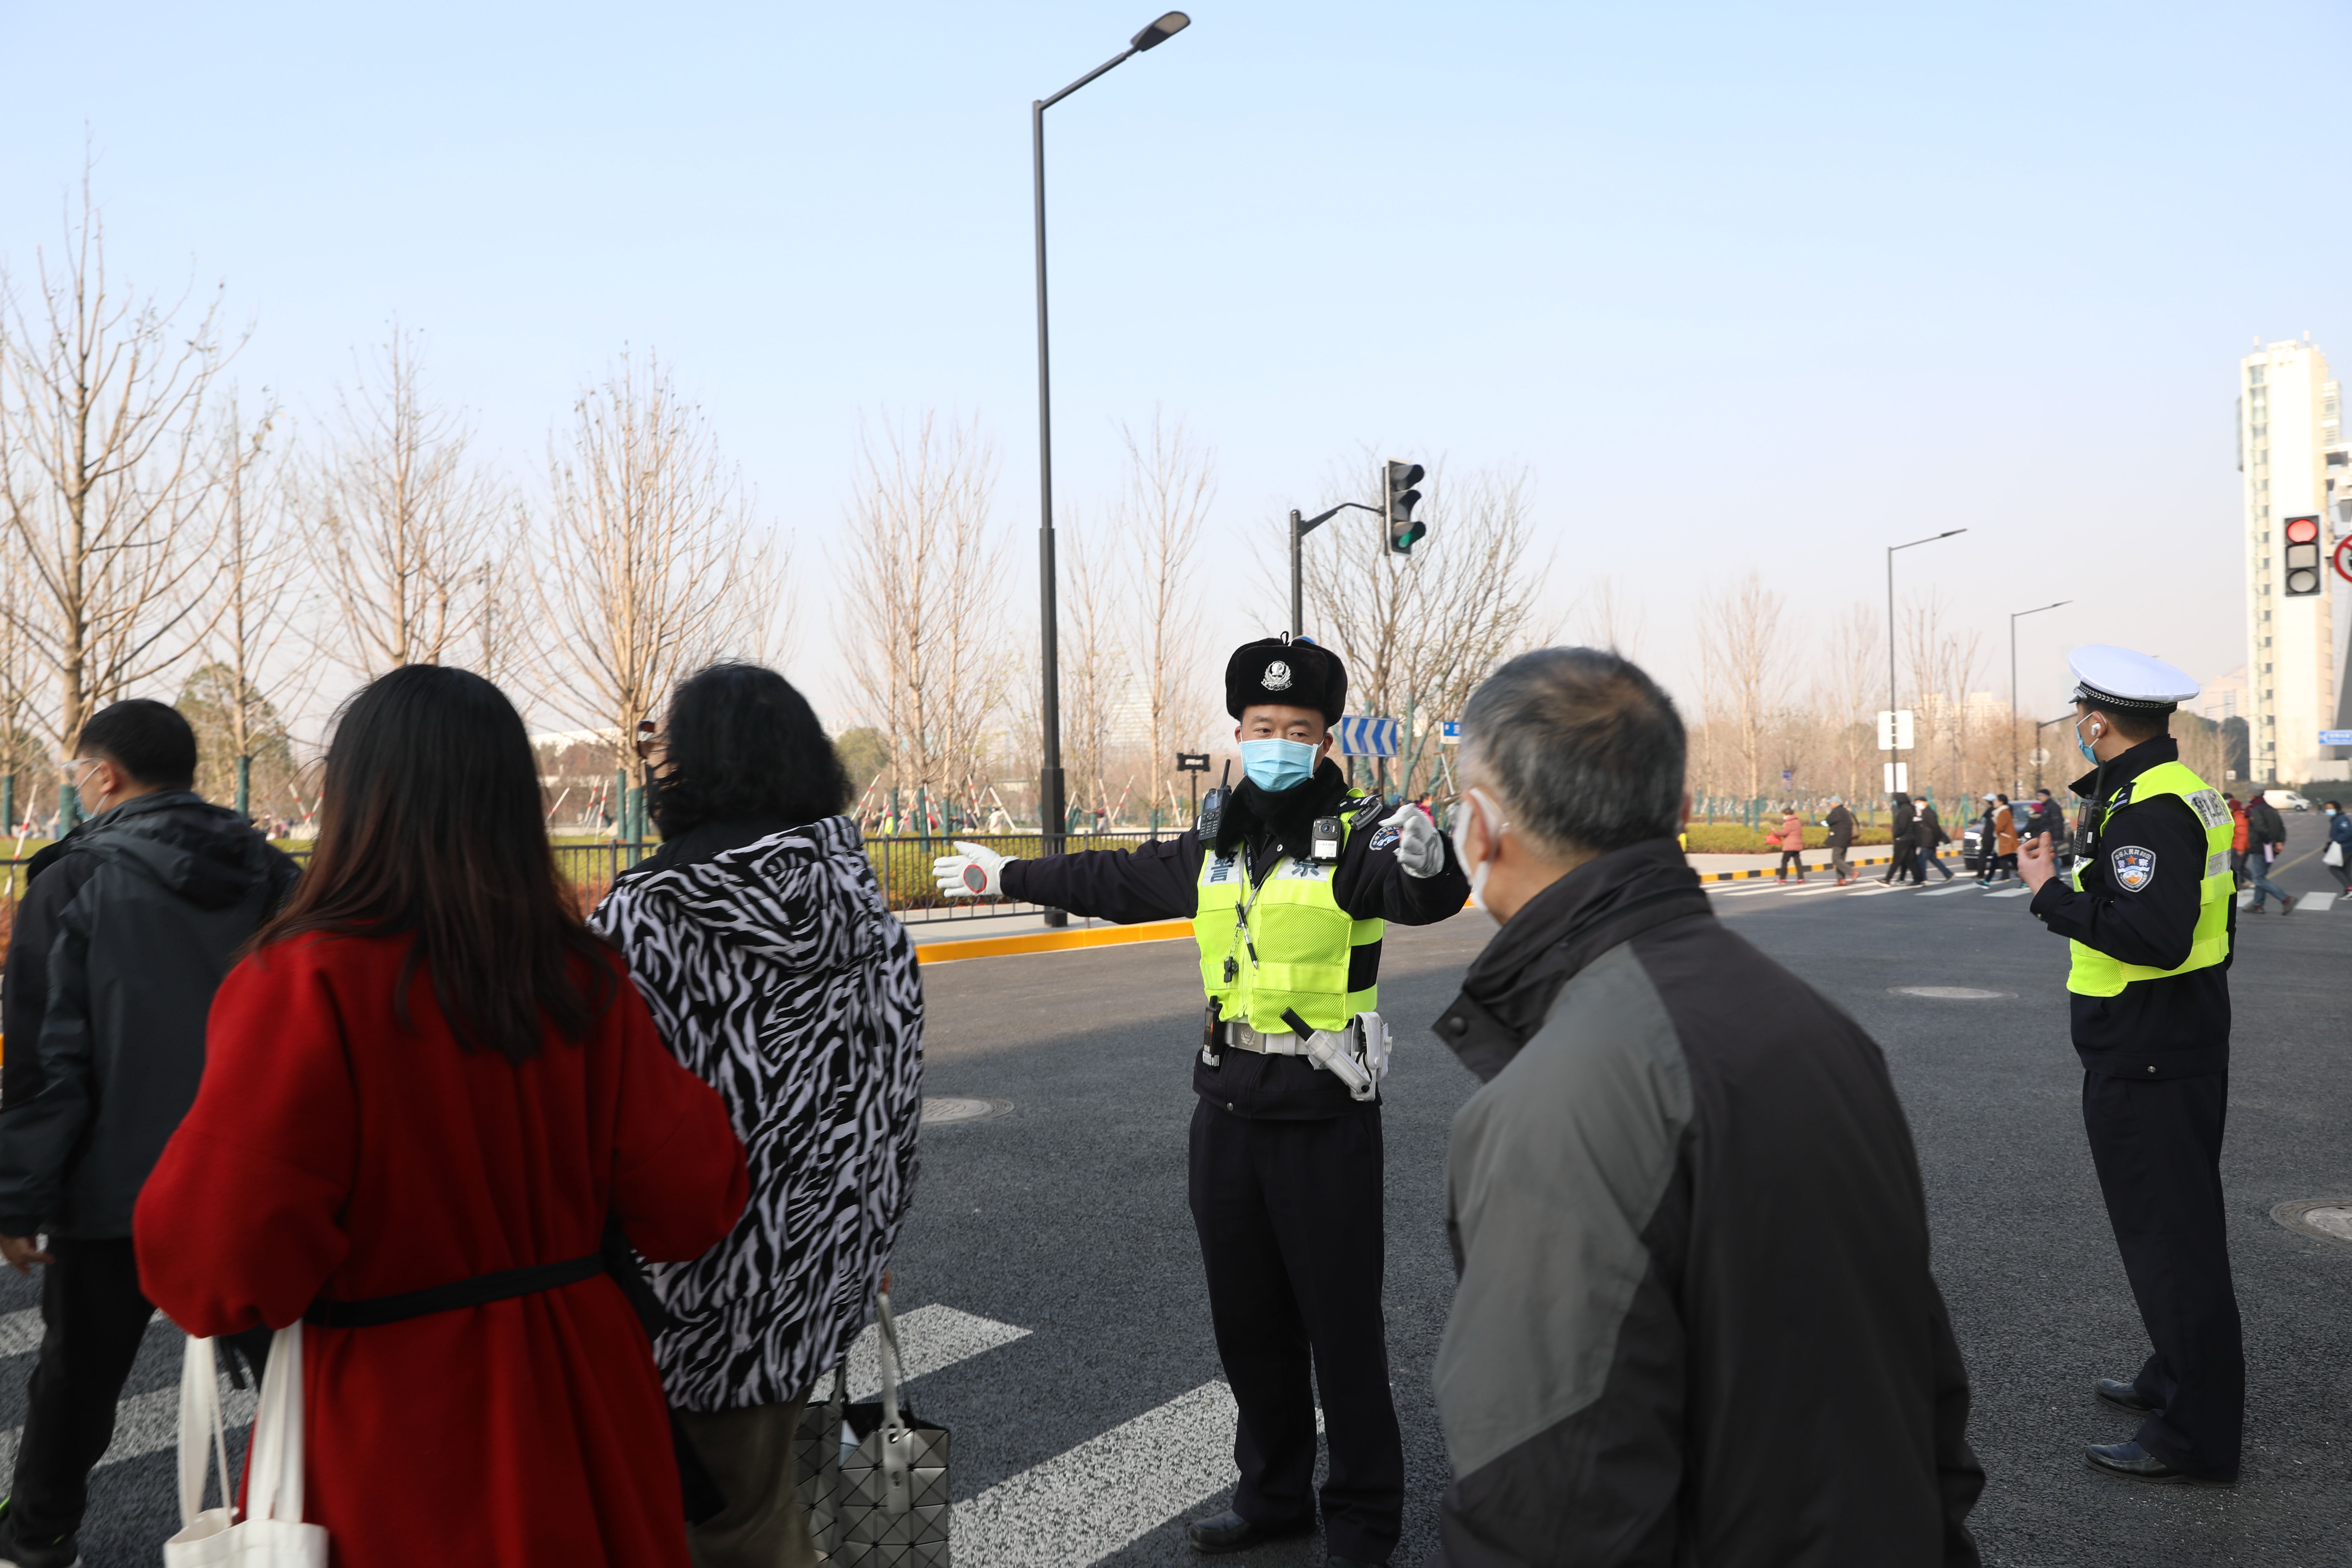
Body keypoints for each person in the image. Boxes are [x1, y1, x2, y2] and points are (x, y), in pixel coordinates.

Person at [134, 665, 751, 1567]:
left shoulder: (303, 982)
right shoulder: (580, 980)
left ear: (355, 799)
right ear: (513, 804)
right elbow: (695, 1200)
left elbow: (211, 1266)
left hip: (390, 1416)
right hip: (585, 1400)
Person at [1428, 647, 1982, 1564]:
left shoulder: (1563, 1098)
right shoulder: (1818, 1029)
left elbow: (1552, 1508)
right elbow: (1919, 1383)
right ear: (1680, 816)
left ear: (1481, 829)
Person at [933, 636, 1469, 1568]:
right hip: (1225, 1114)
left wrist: (1433, 866)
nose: (1278, 743)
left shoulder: (1359, 833)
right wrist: (1007, 875)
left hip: (1324, 1117)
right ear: (1237, 731)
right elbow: (1116, 880)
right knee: (1249, 1327)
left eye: (1298, 730)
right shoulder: (1219, 838)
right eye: (1263, 727)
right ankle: (1272, 1497)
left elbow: (1422, 898)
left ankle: (1363, 1522)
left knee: (1342, 1335)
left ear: (1324, 736)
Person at [590, 664, 924, 1568]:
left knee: (709, 1526)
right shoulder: (868, 910)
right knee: (757, 1502)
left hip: (688, 1295)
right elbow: (895, 1113)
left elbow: (606, 1120)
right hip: (816, 1280)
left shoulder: (649, 915)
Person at [0, 701, 298, 1566]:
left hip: (117, 1192)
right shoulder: (274, 875)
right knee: (298, 1378)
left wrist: (18, 1198)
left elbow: (50, 1063)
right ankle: (318, 1524)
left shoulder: (70, 884)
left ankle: (39, 1537)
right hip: (256, 1183)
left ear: (105, 776)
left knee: (77, 1381)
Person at [2016, 645, 2241, 1483]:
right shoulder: (2182, 791)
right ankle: (2173, 1376)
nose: (2079, 722)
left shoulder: (2149, 809)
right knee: (2176, 1226)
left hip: (2148, 1049)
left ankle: (2198, 1436)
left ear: (2098, 722)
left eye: (2083, 711)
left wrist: (2049, 894)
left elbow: (2153, 936)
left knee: (2171, 1240)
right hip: (2178, 1036)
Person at [2242, 791, 2294, 914]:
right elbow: (2281, 827)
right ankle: (2258, 905)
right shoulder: (2271, 809)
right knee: (2261, 877)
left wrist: (2271, 843)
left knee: (2259, 879)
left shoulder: (2256, 810)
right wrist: (2280, 842)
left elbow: (2260, 828)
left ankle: (2286, 899)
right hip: (2272, 847)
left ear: (2253, 795)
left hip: (2262, 847)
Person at [1882, 792, 1918, 884]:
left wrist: (1896, 835)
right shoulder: (1910, 809)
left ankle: (1888, 879)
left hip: (1903, 839)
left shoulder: (1904, 811)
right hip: (1910, 838)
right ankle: (1919, 879)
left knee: (1897, 860)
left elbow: (1902, 826)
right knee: (1911, 861)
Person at [1917, 799, 1954, 883]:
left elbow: (1935, 827)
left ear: (1925, 803)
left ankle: (1923, 878)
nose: (1917, 805)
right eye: (1916, 803)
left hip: (1929, 841)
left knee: (1921, 860)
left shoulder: (1929, 813)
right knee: (1933, 859)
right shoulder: (1924, 813)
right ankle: (1948, 874)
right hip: (1929, 840)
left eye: (1919, 803)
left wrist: (1937, 838)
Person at [1825, 794, 1857, 884]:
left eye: (1831, 802)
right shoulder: (1845, 811)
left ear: (1836, 803)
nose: (1830, 804)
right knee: (1841, 860)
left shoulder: (1837, 812)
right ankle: (1841, 880)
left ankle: (1852, 872)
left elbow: (1829, 821)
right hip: (1846, 839)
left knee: (1836, 859)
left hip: (1839, 839)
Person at [1773, 804, 1806, 882]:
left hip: (1790, 845)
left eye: (1784, 815)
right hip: (1798, 845)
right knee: (1798, 862)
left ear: (1787, 815)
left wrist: (1774, 831)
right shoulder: (1798, 822)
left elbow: (1784, 833)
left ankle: (1782, 878)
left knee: (1784, 861)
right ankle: (1801, 878)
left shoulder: (1789, 823)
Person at [2325, 801, 2352, 894]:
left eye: (2330, 808)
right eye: (2327, 808)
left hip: (2345, 848)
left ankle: (2349, 889)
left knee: (2334, 868)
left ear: (2337, 809)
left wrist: (2336, 841)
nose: (2328, 810)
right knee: (2345, 871)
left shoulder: (2342, 819)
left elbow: (2348, 833)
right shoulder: (2336, 819)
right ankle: (2350, 890)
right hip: (2346, 847)